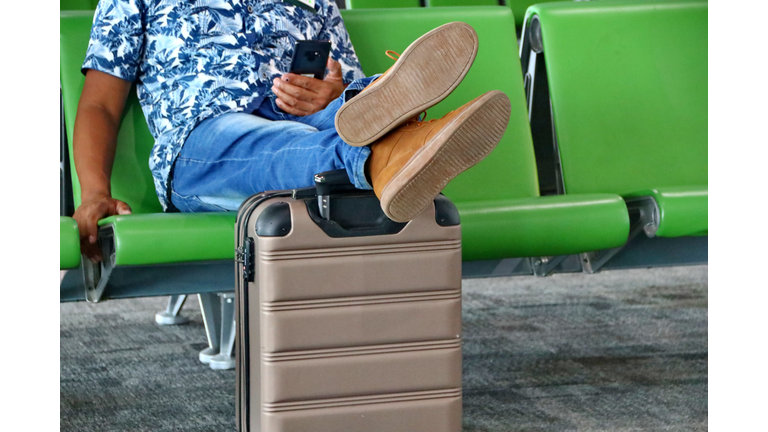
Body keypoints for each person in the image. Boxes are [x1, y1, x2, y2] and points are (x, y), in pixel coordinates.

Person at [73, 0, 511, 261]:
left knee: (355, 106)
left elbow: (343, 88)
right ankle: (396, 148)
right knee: (283, 144)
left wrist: (331, 94)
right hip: (207, 141)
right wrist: (93, 192)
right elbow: (99, 105)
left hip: (315, 123)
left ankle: (391, 144)